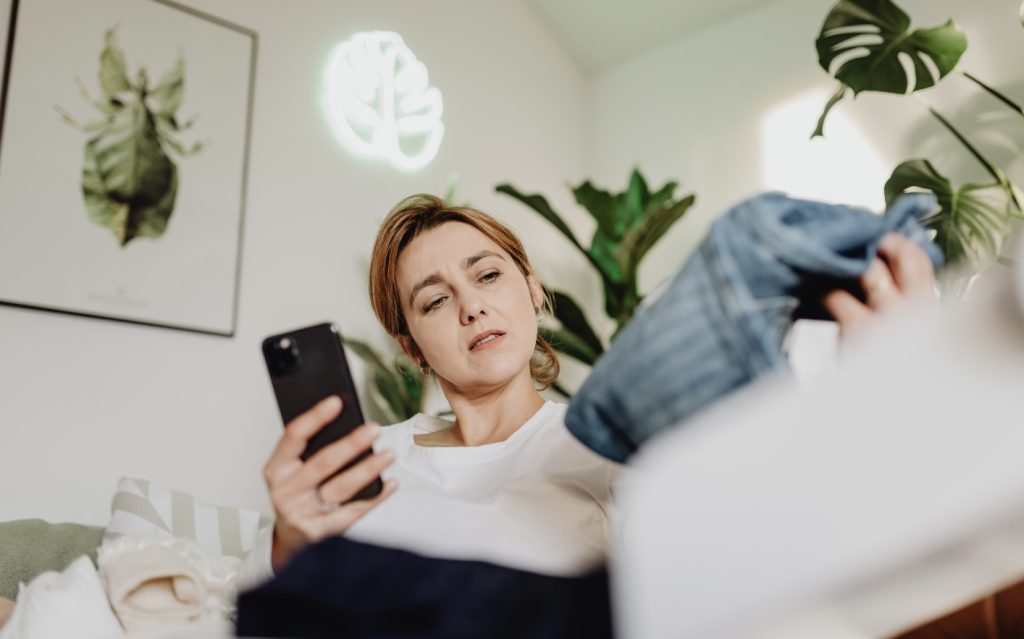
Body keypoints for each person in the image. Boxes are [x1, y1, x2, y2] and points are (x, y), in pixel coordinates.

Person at [239, 193, 938, 586]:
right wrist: (289, 540)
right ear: (411, 346)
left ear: (532, 289)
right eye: (435, 299)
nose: (472, 306)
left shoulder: (606, 440)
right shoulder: (368, 459)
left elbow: (732, 565)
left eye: (487, 275)